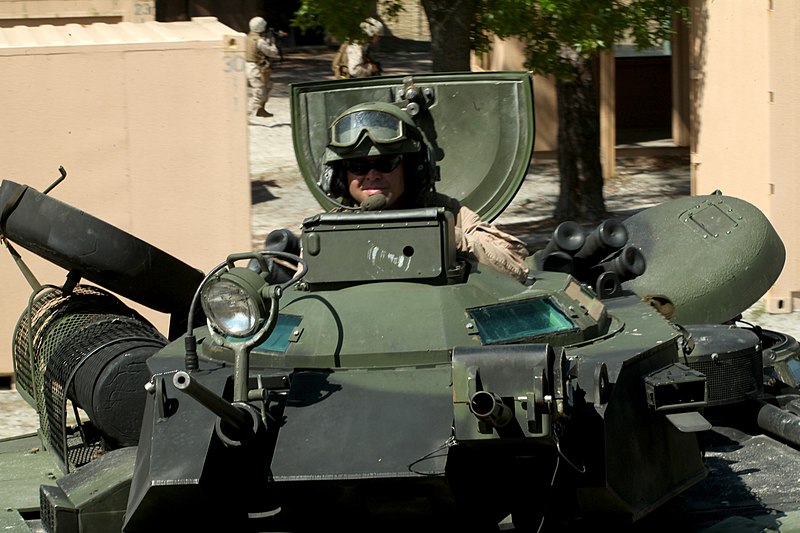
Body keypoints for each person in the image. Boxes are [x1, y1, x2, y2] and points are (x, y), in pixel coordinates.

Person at [318, 102, 531, 283]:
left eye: (386, 162)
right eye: (358, 166)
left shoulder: (448, 214)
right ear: (339, 176)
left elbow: (516, 266)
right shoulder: (329, 227)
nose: (372, 175)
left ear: (412, 169)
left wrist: (445, 236)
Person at [246, 16, 281, 118]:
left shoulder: (247, 37)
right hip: (255, 67)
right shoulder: (259, 41)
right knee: (259, 93)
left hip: (252, 66)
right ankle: (244, 116)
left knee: (268, 86)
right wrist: (273, 43)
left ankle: (261, 110)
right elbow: (273, 53)